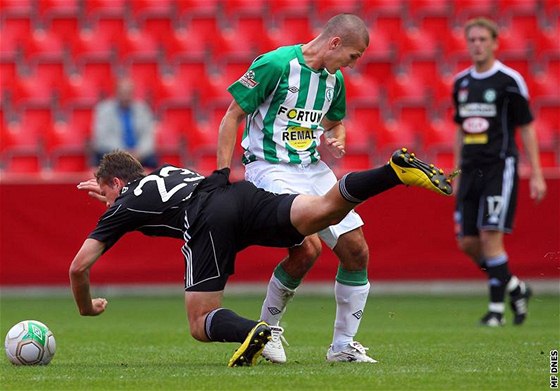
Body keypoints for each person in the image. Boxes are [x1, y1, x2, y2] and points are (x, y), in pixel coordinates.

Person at [69, 148, 453, 367]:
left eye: (104, 193)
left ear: (117, 184)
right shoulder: (168, 170)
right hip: (238, 195)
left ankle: (252, 330)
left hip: (208, 221)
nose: (104, 203)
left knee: (199, 321)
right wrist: (110, 192)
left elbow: (79, 267)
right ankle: (391, 172)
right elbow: (135, 190)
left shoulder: (121, 207)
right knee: (323, 211)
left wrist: (86, 307)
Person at [217, 13, 380, 363]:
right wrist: (220, 174)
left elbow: (335, 125)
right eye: (352, 57)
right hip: (269, 168)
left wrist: (337, 139)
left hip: (312, 169)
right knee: (307, 249)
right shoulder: (275, 64)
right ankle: (267, 330)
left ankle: (342, 346)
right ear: (335, 43)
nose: (351, 66)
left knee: (356, 251)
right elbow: (232, 114)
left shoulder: (333, 80)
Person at [452, 17, 547, 327]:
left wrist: (536, 173)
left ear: (494, 43)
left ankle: (496, 311)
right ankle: (515, 287)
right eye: (472, 40)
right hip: (469, 169)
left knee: (491, 236)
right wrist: (455, 171)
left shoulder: (509, 80)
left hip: (499, 165)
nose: (477, 45)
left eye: (482, 39)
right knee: (468, 242)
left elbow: (527, 126)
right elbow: (460, 129)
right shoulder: (461, 83)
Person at [91, 77, 158, 168]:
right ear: (116, 92)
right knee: (101, 156)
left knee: (152, 159)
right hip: (114, 154)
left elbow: (148, 136)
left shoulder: (143, 109)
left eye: (128, 93)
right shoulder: (103, 110)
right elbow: (102, 138)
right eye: (123, 93)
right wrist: (124, 153)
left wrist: (139, 152)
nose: (125, 96)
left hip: (139, 156)